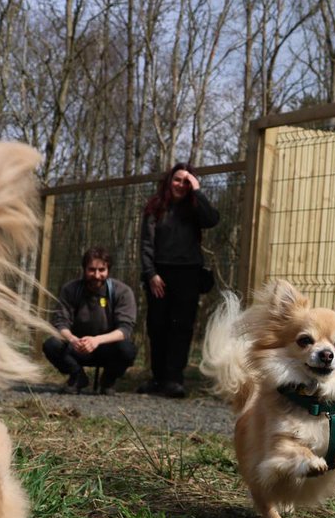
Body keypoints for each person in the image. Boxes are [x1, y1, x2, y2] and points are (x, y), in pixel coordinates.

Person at [137, 162, 220, 398]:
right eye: (177, 179)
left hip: (188, 274)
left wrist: (198, 191)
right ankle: (157, 378)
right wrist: (151, 274)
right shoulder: (155, 208)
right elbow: (146, 244)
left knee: (181, 328)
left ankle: (174, 380)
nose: (181, 185)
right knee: (157, 326)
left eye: (186, 181)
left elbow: (212, 219)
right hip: (159, 275)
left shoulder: (195, 209)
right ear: (168, 180)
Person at [42, 246, 138, 394]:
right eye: (92, 270)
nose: (97, 275)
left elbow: (125, 330)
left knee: (128, 349)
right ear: (84, 269)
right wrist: (73, 339)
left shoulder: (122, 292)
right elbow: (60, 323)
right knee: (51, 344)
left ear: (108, 270)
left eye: (101, 270)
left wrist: (97, 340)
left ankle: (108, 381)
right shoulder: (70, 290)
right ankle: (77, 376)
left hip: (108, 348)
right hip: (77, 347)